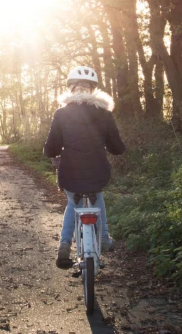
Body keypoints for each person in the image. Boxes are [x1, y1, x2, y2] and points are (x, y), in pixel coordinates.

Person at [43, 66, 126, 269]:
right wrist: (112, 146)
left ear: (71, 89)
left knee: (73, 202)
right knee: (97, 197)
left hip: (69, 170)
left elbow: (51, 147)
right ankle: (104, 238)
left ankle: (64, 245)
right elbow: (117, 148)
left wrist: (51, 152)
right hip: (98, 169)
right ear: (93, 90)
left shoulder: (61, 113)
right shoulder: (104, 113)